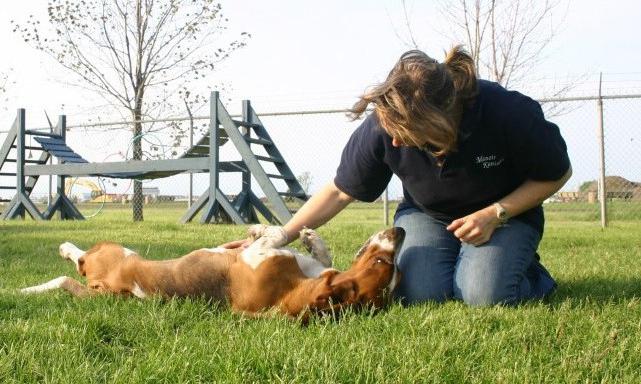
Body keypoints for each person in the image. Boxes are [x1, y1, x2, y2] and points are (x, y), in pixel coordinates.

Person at [225, 46, 572, 307]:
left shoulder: (506, 112)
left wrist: (495, 214)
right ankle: (463, 262)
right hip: (429, 215)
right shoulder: (384, 123)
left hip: (504, 216)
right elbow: (340, 191)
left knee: (484, 294)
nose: (394, 141)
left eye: (405, 131)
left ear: (439, 118)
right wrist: (280, 236)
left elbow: (557, 173)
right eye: (390, 130)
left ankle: (527, 272)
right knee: (420, 294)